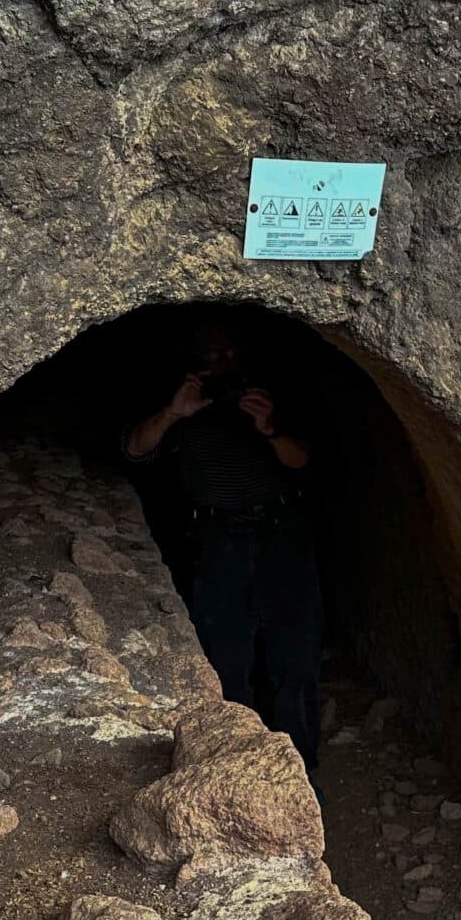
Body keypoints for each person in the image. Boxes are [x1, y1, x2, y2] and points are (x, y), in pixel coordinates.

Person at [124, 319, 323, 767]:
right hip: (216, 539)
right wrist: (174, 413)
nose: (222, 366)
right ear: (194, 361)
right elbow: (135, 449)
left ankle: (301, 775)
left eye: (230, 354)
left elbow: (304, 461)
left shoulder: (270, 398)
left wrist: (270, 428)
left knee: (296, 658)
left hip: (281, 533)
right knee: (224, 661)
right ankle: (233, 770)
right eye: (212, 356)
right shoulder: (184, 407)